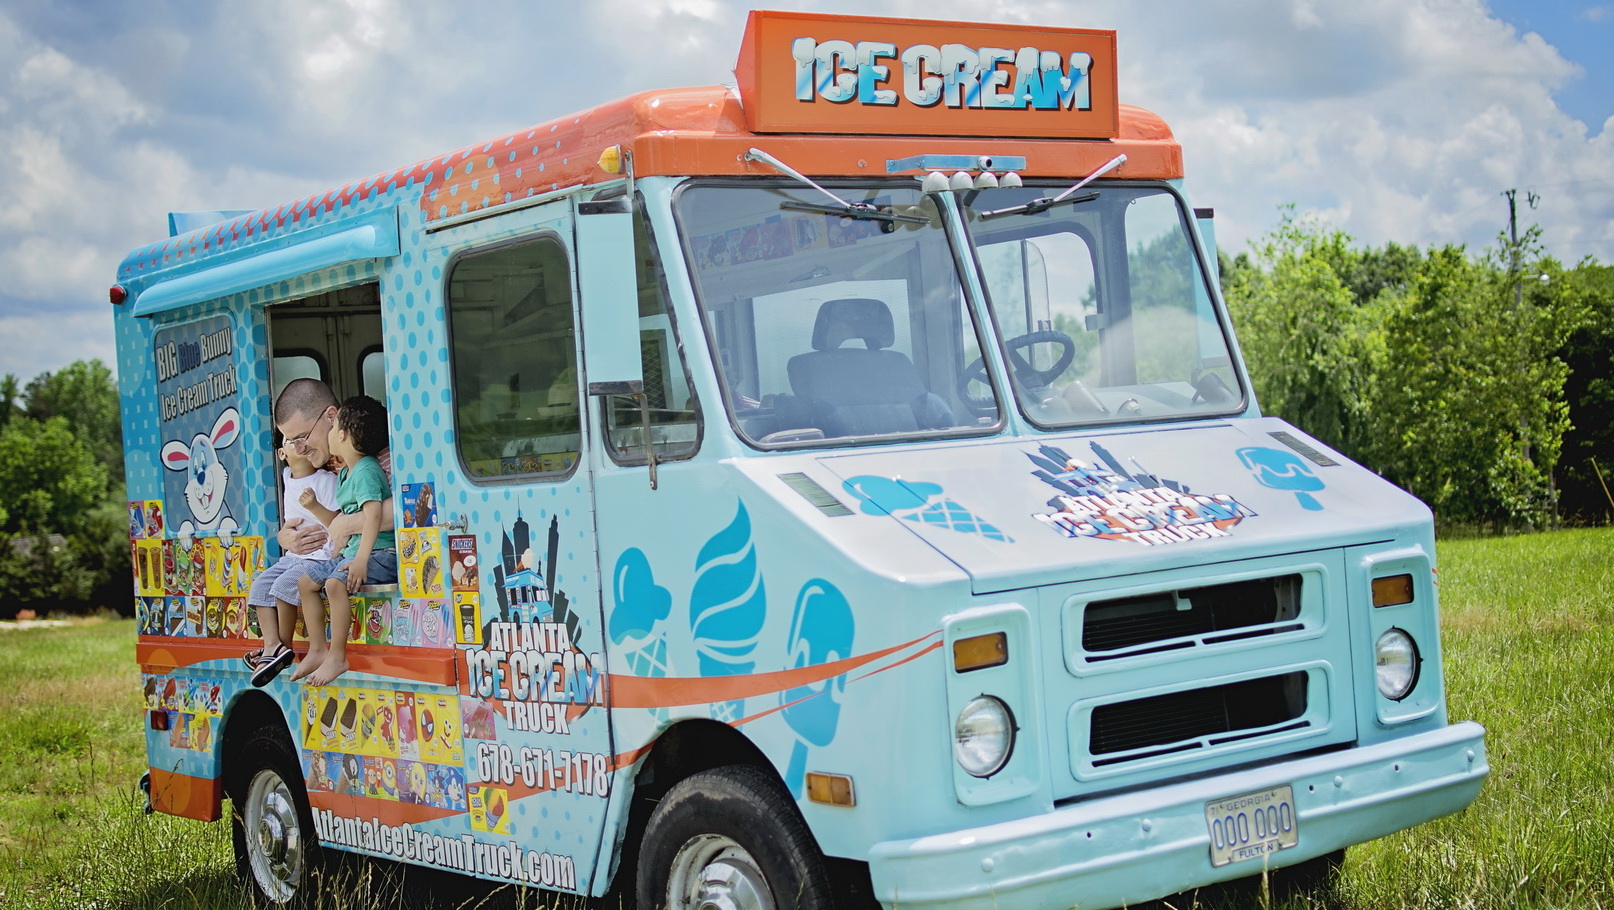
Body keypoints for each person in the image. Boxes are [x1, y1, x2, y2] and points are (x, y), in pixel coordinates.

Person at [288, 395, 396, 686]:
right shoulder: (346, 472)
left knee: (335, 584)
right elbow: (342, 522)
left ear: (344, 434)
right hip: (352, 551)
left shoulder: (366, 471)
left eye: (333, 425)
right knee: (306, 583)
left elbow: (372, 516)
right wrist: (314, 511)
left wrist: (360, 559)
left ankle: (337, 655)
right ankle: (317, 649)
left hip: (379, 552)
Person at [243, 435, 338, 686]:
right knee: (261, 586)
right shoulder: (286, 477)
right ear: (281, 455)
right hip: (293, 556)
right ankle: (271, 645)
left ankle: (282, 648)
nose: (298, 444)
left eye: (302, 438)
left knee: (285, 586)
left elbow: (337, 522)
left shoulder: (326, 480)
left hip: (319, 556)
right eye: (289, 441)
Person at [273, 379, 393, 558]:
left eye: (302, 437)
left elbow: (407, 507)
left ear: (331, 417)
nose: (299, 450)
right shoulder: (323, 463)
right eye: (291, 442)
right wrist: (285, 537)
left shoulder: (381, 455)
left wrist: (346, 524)